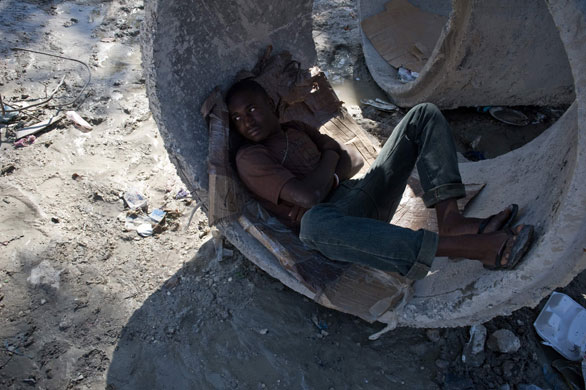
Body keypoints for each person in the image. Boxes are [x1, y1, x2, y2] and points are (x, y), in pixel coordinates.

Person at [226, 78, 533, 280]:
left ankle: (451, 220)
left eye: (251, 109)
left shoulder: (295, 128)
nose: (246, 121)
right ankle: (471, 247)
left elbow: (354, 159)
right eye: (237, 118)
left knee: (422, 115)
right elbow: (310, 199)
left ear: (271, 103)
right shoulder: (249, 158)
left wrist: (326, 174)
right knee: (313, 224)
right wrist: (329, 162)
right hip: (337, 231)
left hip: (359, 193)